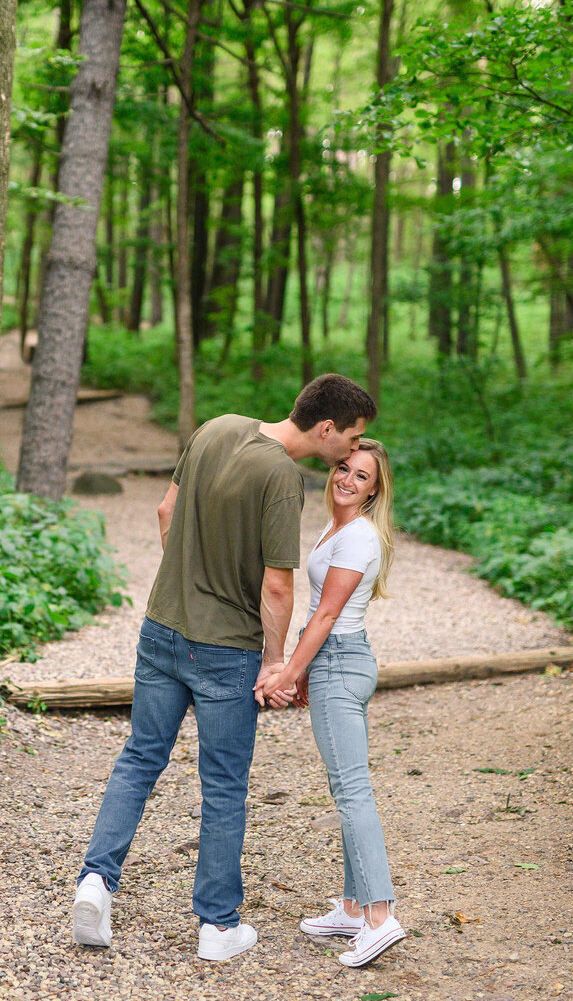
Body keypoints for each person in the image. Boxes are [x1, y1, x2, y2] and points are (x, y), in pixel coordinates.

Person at [72, 373, 377, 961]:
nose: (351, 452)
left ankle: (95, 882)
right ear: (326, 429)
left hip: (162, 630)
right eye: (353, 437)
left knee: (139, 758)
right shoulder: (283, 478)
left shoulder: (216, 428)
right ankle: (216, 926)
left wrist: (190, 586)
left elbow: (166, 512)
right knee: (223, 785)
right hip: (227, 651)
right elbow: (277, 587)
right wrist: (275, 660)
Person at [261, 437, 405, 968]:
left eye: (361, 476)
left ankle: (379, 915)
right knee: (344, 783)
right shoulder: (336, 526)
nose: (347, 479)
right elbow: (319, 611)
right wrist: (303, 673)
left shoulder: (360, 536)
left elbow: (326, 617)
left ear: (374, 489)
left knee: (351, 789)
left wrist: (286, 673)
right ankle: (350, 906)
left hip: (340, 661)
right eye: (344, 467)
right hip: (333, 661)